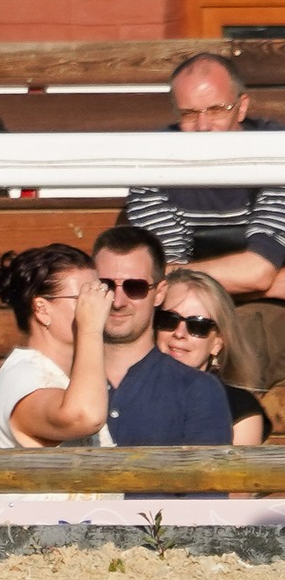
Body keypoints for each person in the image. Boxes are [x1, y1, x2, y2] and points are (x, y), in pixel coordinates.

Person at [118, 53, 285, 383]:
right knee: (172, 335)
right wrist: (266, 282)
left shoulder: (276, 152)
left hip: (265, 316)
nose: (204, 126)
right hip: (182, 312)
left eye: (216, 110)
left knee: (243, 337)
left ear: (242, 106)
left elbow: (256, 270)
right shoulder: (154, 160)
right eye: (190, 114)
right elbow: (172, 287)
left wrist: (178, 274)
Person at [89, 225, 230, 450]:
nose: (118, 301)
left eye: (135, 287)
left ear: (160, 293)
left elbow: (206, 482)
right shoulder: (57, 376)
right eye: (106, 285)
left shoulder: (198, 390)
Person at [0, 244, 110, 449]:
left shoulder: (66, 376)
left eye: (101, 293)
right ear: (42, 309)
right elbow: (85, 416)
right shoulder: (24, 377)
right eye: (86, 297)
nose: (101, 306)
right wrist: (91, 328)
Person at [154, 266, 270, 444]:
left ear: (217, 343)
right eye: (169, 320)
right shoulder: (125, 389)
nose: (179, 333)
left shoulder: (239, 409)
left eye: (198, 326)